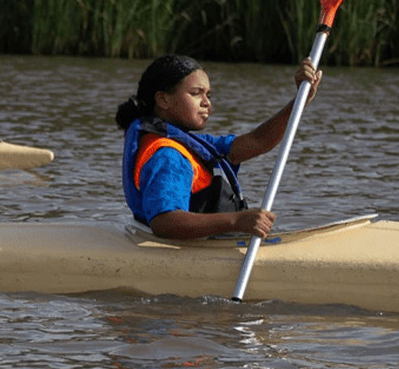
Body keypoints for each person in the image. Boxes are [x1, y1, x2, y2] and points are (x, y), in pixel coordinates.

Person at [114, 55, 321, 240]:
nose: (207, 103)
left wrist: (300, 102)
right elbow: (165, 223)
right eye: (196, 93)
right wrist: (236, 221)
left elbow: (258, 141)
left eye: (208, 95)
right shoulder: (167, 155)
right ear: (163, 99)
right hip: (190, 253)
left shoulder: (191, 145)